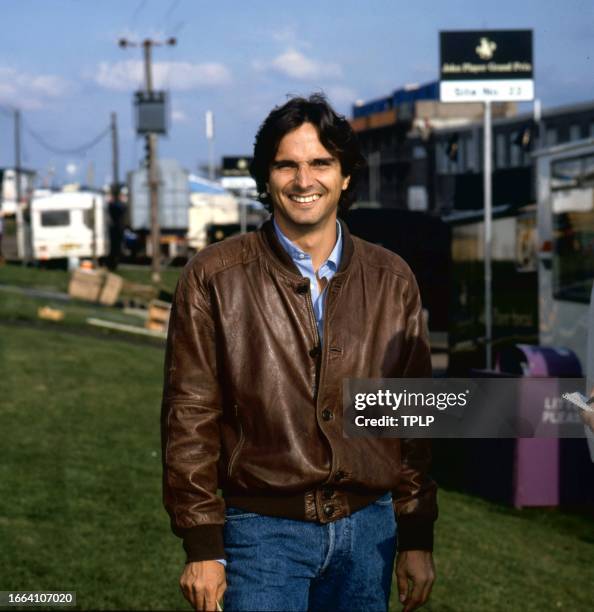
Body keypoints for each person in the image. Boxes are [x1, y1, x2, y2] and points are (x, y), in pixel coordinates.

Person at [161, 94, 437, 612]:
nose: (303, 180)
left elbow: (413, 422)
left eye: (320, 163)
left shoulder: (392, 279)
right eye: (286, 164)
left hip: (369, 536)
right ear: (266, 179)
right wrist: (203, 544)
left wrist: (417, 534)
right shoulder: (213, 276)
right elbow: (189, 417)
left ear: (346, 176)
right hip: (261, 537)